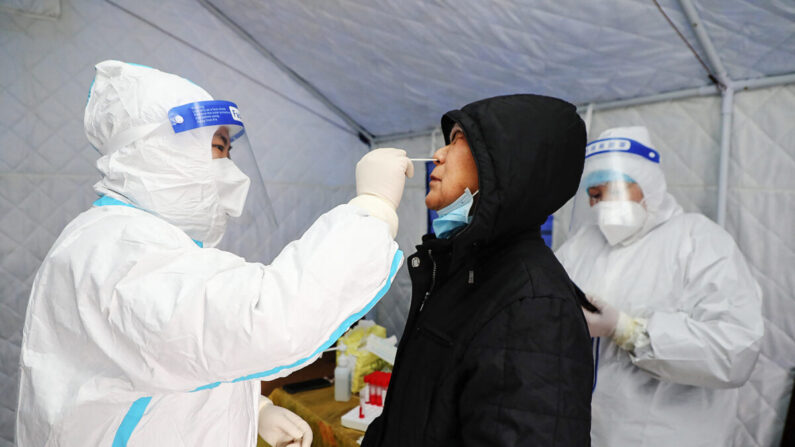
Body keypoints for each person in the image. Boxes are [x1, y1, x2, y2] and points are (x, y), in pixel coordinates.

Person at [15, 60, 414, 446]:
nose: (230, 168)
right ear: (159, 149)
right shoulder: (120, 251)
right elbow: (266, 321)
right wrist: (373, 209)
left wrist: (252, 408)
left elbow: (170, 359)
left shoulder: (142, 240)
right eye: (218, 148)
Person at [362, 94, 595, 446]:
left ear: (506, 165)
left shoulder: (532, 304)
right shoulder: (462, 269)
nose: (438, 155)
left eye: (457, 141)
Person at [555, 126, 764, 446]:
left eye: (616, 191)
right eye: (595, 196)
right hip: (588, 431)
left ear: (648, 185)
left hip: (669, 434)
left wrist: (629, 331)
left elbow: (735, 350)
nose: (603, 205)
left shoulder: (699, 241)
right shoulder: (582, 245)